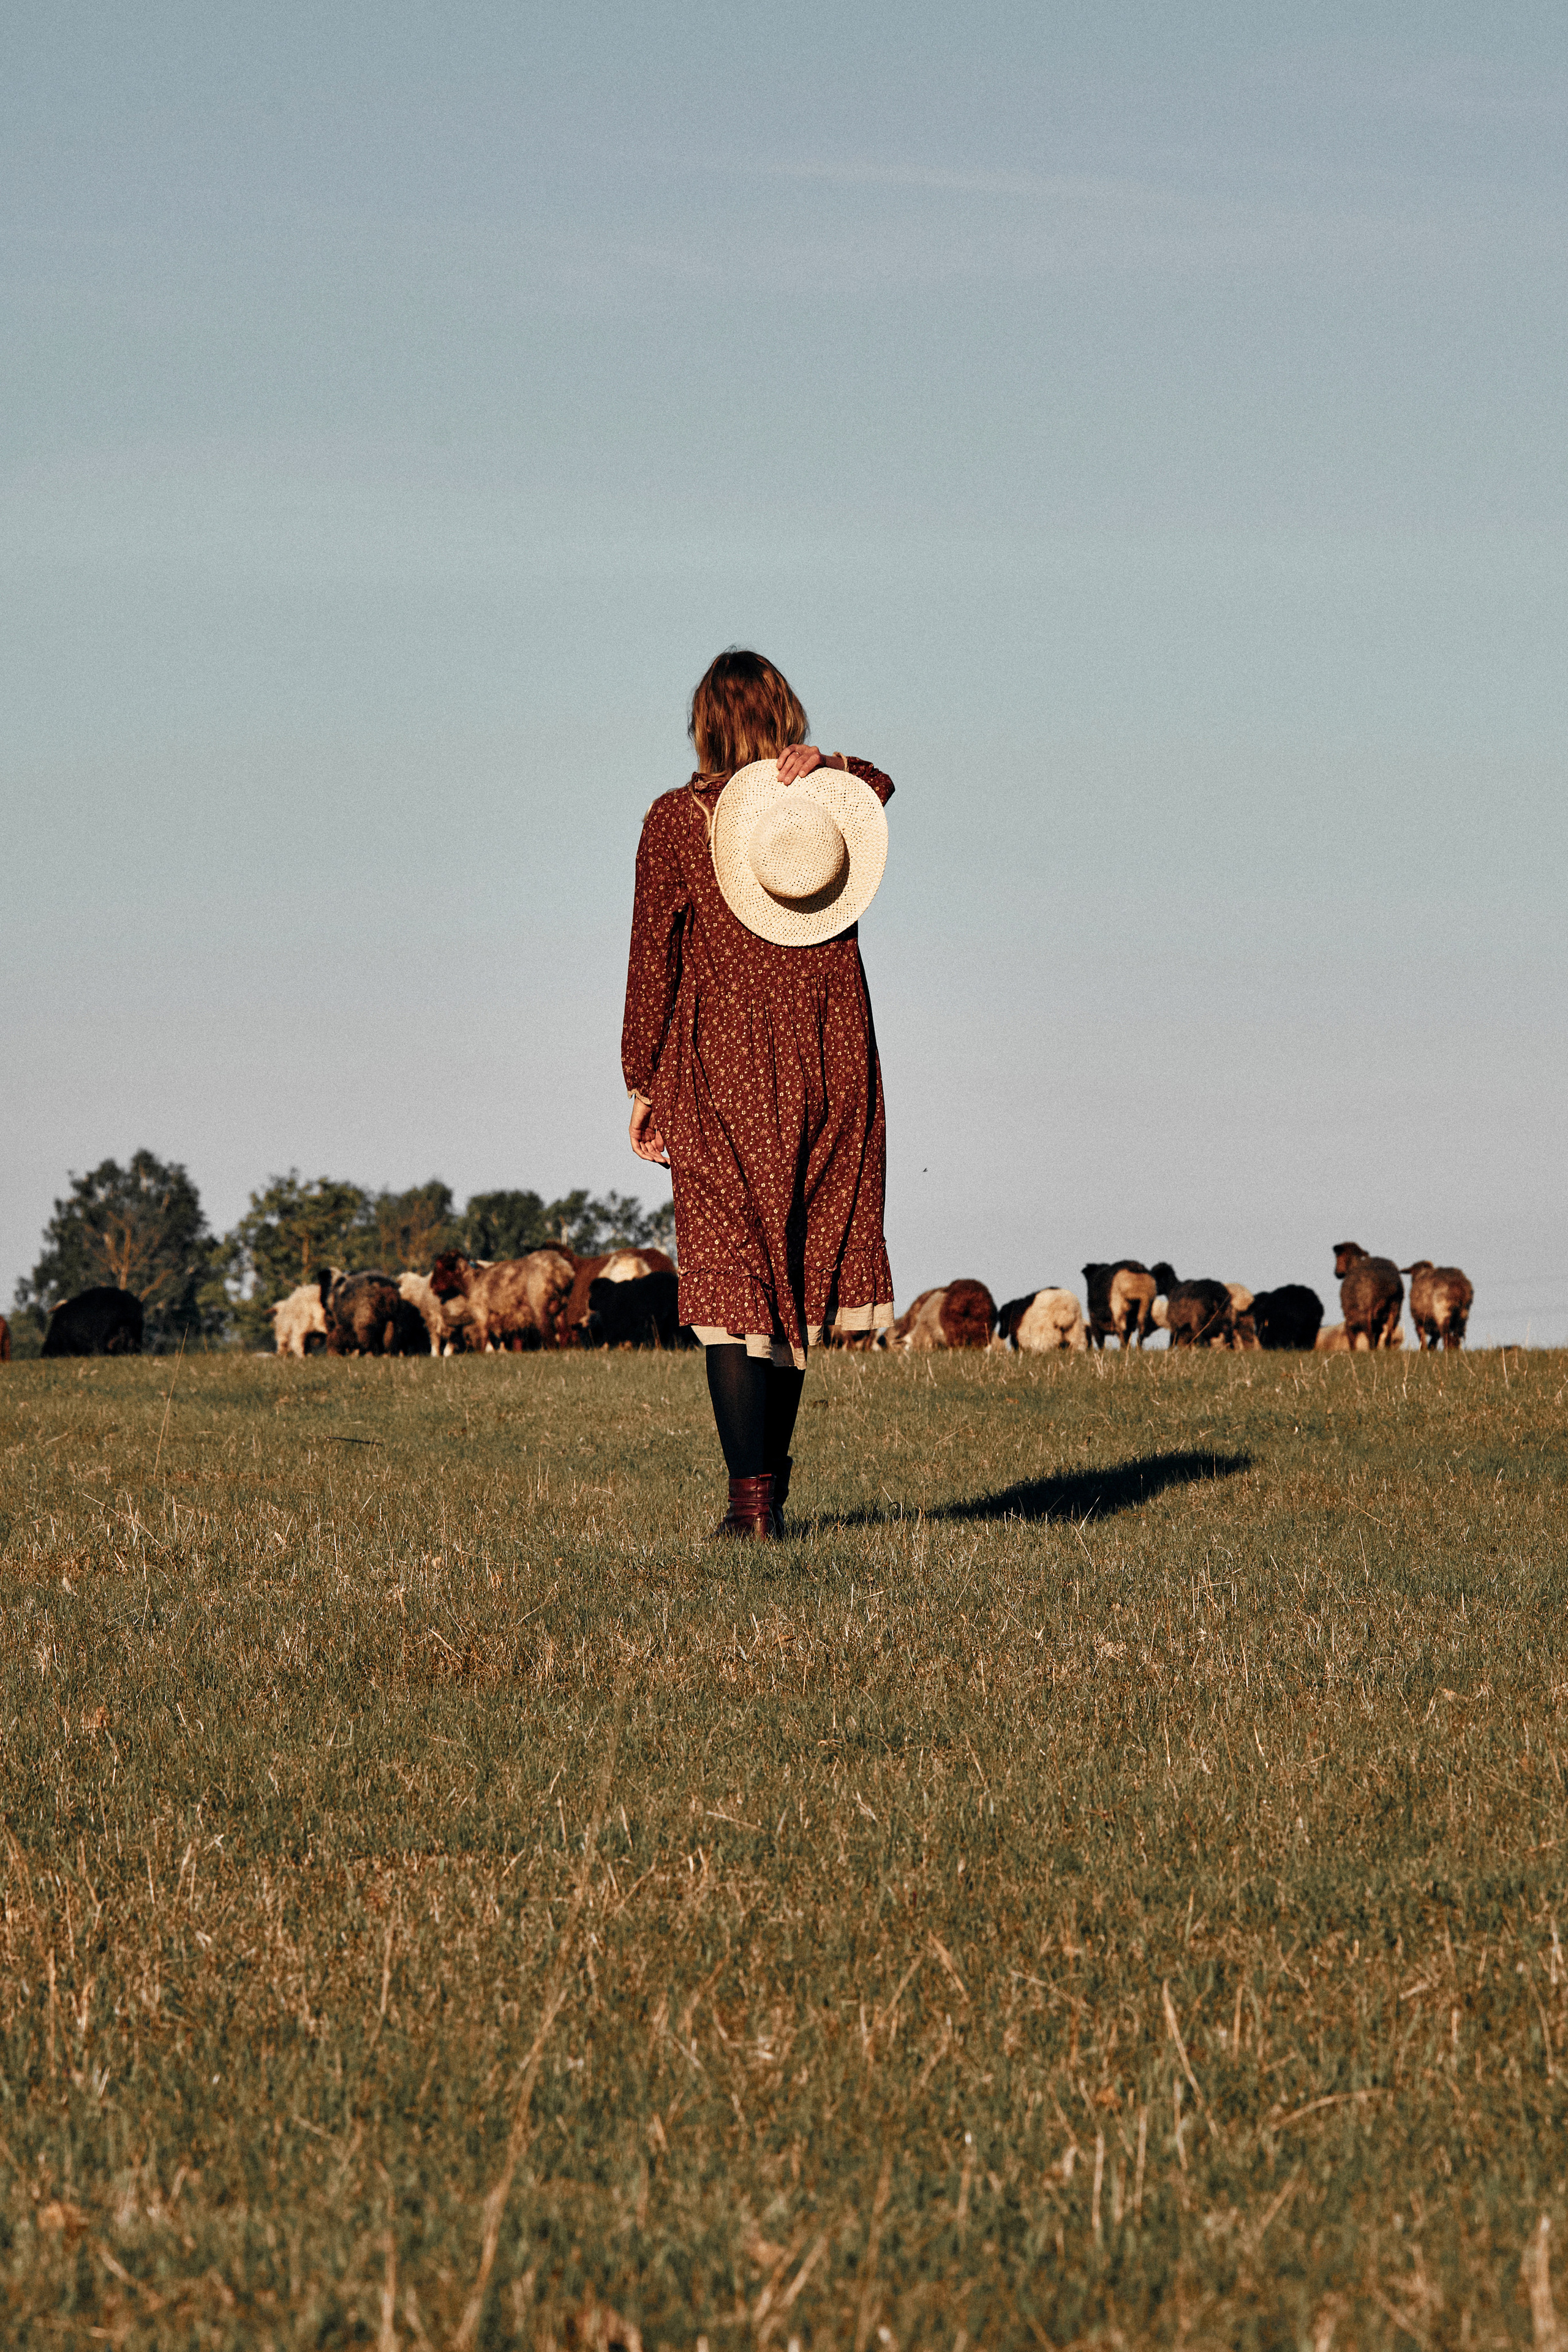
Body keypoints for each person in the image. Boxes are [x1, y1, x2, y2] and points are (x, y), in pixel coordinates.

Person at [622, 647, 895, 1539]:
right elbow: (882, 785)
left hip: (717, 1071)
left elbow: (651, 958)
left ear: (704, 722)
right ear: (786, 717)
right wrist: (835, 769)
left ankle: (752, 1512)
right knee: (790, 1276)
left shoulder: (674, 820)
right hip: (830, 1064)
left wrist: (639, 1076)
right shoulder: (827, 815)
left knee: (735, 1290)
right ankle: (765, 1507)